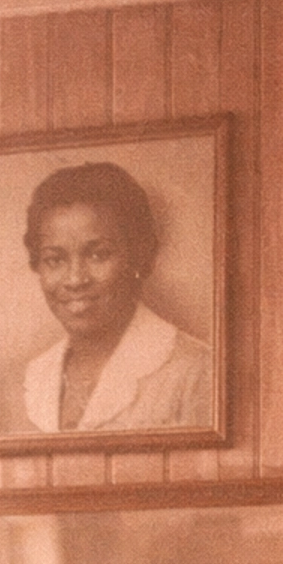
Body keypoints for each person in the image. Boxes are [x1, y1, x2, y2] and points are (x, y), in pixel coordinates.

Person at [17, 160, 212, 434]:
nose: (75, 279)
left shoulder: (197, 370)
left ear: (138, 256)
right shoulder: (36, 376)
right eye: (55, 259)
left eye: (98, 254)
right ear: (37, 264)